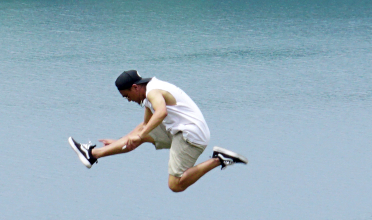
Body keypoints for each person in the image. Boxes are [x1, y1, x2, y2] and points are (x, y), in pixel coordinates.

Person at [69, 69, 247, 192]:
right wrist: (121, 140)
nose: (128, 100)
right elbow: (145, 126)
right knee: (139, 137)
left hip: (190, 136)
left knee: (175, 185)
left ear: (135, 87)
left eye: (127, 96)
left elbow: (161, 112)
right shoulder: (147, 93)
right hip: (182, 129)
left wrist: (141, 135)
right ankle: (92, 154)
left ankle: (219, 160)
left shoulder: (153, 92)